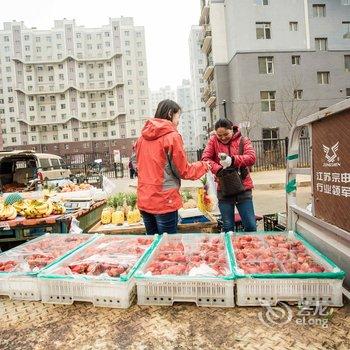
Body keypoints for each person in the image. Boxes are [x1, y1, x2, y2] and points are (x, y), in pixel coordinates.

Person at [134, 99, 210, 234]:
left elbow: (136, 165)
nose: (178, 121)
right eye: (178, 116)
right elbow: (184, 171)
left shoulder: (141, 139)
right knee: (168, 248)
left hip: (145, 199)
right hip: (164, 201)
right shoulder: (172, 137)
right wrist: (204, 165)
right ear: (170, 113)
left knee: (153, 245)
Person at [201, 118, 257, 232]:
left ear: (232, 129)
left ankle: (248, 248)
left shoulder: (243, 140)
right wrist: (219, 169)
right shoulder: (213, 141)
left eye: (226, 134)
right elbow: (205, 158)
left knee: (250, 225)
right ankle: (230, 248)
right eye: (219, 135)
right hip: (223, 187)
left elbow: (251, 157)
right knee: (227, 226)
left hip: (243, 187)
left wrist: (233, 160)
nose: (222, 137)